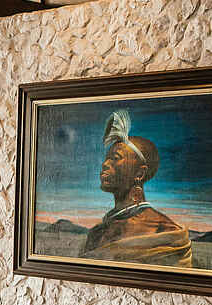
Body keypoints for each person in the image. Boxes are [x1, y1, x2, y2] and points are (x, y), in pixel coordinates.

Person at [81, 110, 193, 267]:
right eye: (106, 158)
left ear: (140, 173)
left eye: (115, 158)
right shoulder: (96, 232)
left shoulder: (167, 233)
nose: (105, 164)